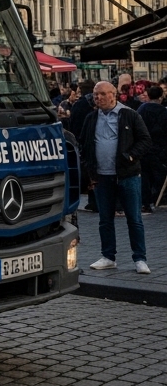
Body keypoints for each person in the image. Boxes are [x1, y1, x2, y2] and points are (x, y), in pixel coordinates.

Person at [79, 81, 152, 274]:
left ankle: (140, 258)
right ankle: (108, 256)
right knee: (105, 219)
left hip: (127, 175)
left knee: (134, 218)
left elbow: (145, 140)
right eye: (96, 95)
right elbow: (84, 144)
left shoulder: (129, 114)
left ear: (114, 95)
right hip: (102, 176)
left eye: (103, 94)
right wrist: (89, 172)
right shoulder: (91, 117)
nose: (99, 98)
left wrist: (130, 156)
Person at [67, 79, 98, 212]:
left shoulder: (79, 105)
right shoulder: (94, 104)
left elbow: (73, 124)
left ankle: (93, 201)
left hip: (81, 140)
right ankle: (95, 201)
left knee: (88, 172)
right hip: (93, 140)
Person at [139, 86, 167, 215]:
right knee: (159, 174)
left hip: (143, 148)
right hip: (159, 148)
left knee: (144, 176)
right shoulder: (163, 111)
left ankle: (146, 202)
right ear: (161, 97)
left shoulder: (142, 109)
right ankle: (158, 198)